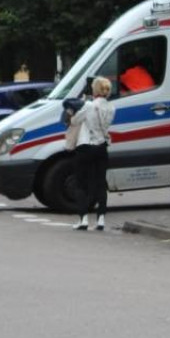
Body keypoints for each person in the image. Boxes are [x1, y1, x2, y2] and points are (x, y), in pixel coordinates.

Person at [69, 76, 116, 231]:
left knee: (81, 183)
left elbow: (74, 121)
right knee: (100, 183)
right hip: (101, 147)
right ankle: (101, 219)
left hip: (85, 147)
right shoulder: (112, 107)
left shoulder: (88, 105)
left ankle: (83, 219)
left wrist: (79, 105)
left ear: (94, 90)